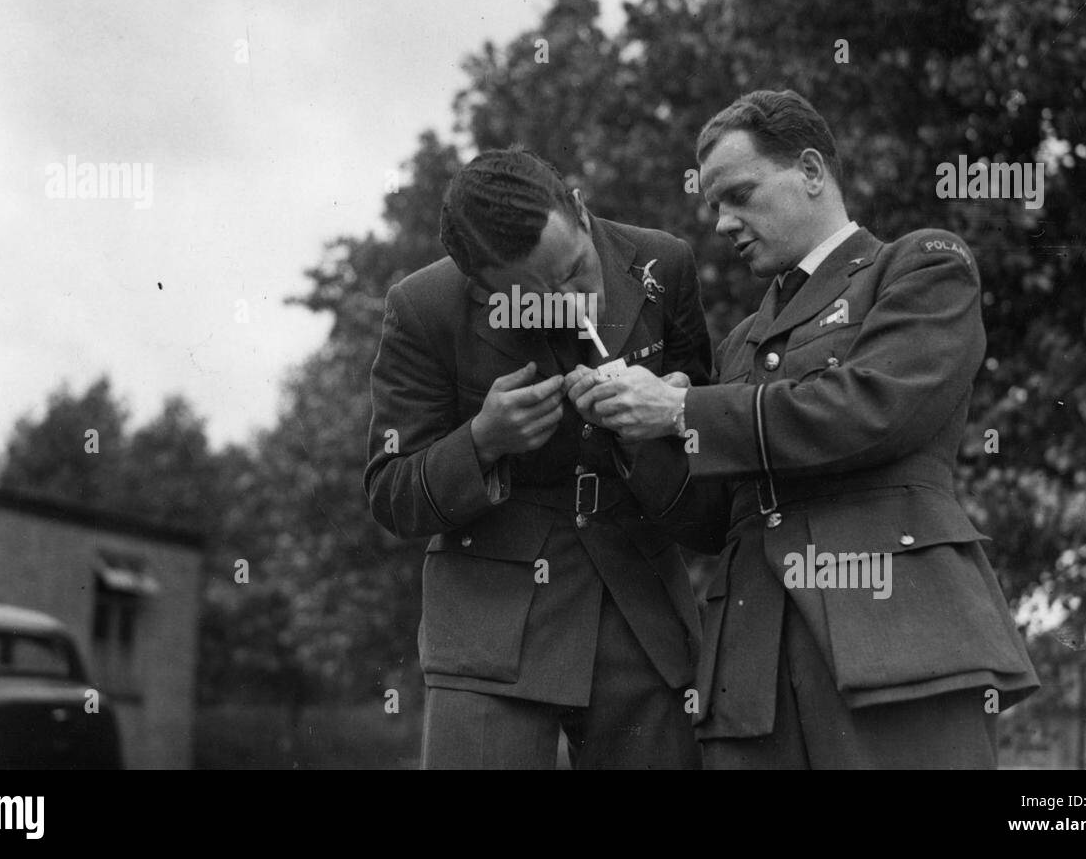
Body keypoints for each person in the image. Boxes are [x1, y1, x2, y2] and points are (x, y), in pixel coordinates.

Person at [567, 90, 1039, 768]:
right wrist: (635, 428)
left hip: (899, 644)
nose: (724, 224)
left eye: (740, 194)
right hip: (752, 681)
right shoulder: (738, 345)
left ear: (812, 171)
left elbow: (870, 410)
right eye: (714, 208)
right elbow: (710, 523)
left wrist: (682, 410)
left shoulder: (923, 265)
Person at [365, 147, 714, 768]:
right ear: (482, 285)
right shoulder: (424, 307)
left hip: (642, 617)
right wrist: (482, 441)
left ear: (579, 210)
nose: (573, 302)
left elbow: (707, 451)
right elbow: (391, 491)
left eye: (577, 270)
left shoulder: (668, 263)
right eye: (539, 294)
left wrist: (669, 415)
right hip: (488, 637)